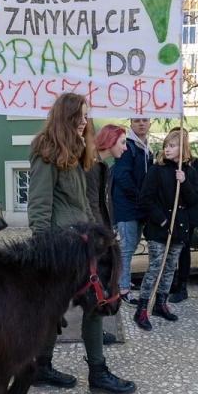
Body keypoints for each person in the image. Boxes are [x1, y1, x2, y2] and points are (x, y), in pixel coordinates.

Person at [29, 92, 136, 394]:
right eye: (82, 116)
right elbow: (39, 204)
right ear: (68, 116)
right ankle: (51, 369)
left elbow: (83, 203)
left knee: (92, 303)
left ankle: (80, 370)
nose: (86, 122)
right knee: (66, 306)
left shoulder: (78, 150)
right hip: (60, 246)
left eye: (87, 116)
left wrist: (97, 236)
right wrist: (42, 250)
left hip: (83, 242)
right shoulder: (46, 150)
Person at [132, 128, 198, 331]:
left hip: (179, 228)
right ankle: (143, 308)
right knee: (155, 267)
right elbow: (146, 199)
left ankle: (161, 303)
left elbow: (193, 199)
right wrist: (162, 220)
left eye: (172, 146)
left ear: (182, 148)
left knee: (170, 267)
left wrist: (184, 181)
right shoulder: (156, 169)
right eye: (166, 146)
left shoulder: (189, 170)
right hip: (159, 228)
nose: (167, 149)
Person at [86, 124, 128, 345]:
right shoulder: (93, 166)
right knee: (94, 286)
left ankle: (95, 331)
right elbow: (92, 205)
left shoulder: (103, 165)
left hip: (102, 233)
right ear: (111, 141)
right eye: (122, 142)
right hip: (96, 236)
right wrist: (102, 237)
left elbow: (104, 204)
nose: (125, 148)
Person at [111, 117, 153, 305]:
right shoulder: (128, 146)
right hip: (127, 206)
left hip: (138, 206)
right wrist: (140, 196)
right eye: (137, 121)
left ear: (150, 123)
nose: (141, 124)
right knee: (127, 248)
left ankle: (122, 280)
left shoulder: (145, 147)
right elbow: (121, 176)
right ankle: (122, 288)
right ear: (131, 124)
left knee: (130, 246)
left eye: (144, 120)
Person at [168, 126, 198, 304]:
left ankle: (182, 286)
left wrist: (184, 181)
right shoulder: (165, 164)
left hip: (187, 216)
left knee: (183, 251)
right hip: (172, 214)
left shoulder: (193, 163)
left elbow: (197, 191)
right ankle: (172, 281)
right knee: (170, 250)